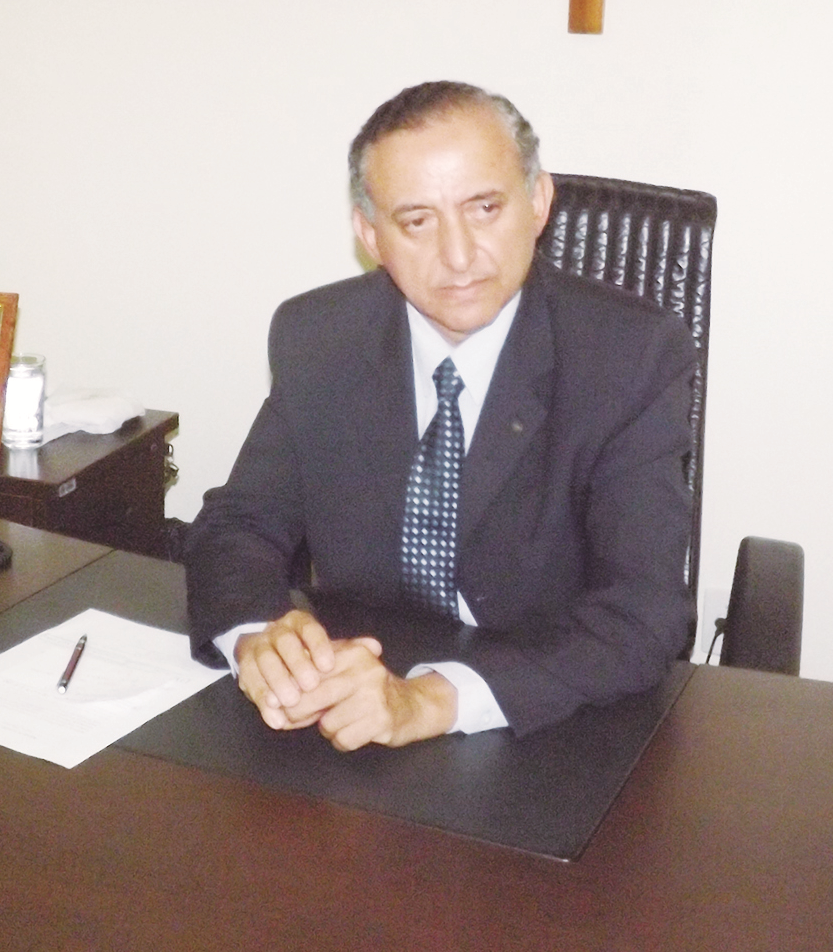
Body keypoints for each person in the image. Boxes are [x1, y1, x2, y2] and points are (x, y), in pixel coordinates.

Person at [186, 80, 696, 752]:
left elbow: (642, 614)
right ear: (370, 235)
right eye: (417, 222)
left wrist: (430, 700)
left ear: (538, 201)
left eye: (485, 208)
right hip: (347, 701)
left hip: (548, 721)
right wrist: (262, 640)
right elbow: (239, 524)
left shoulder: (630, 355)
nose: (458, 256)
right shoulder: (318, 336)